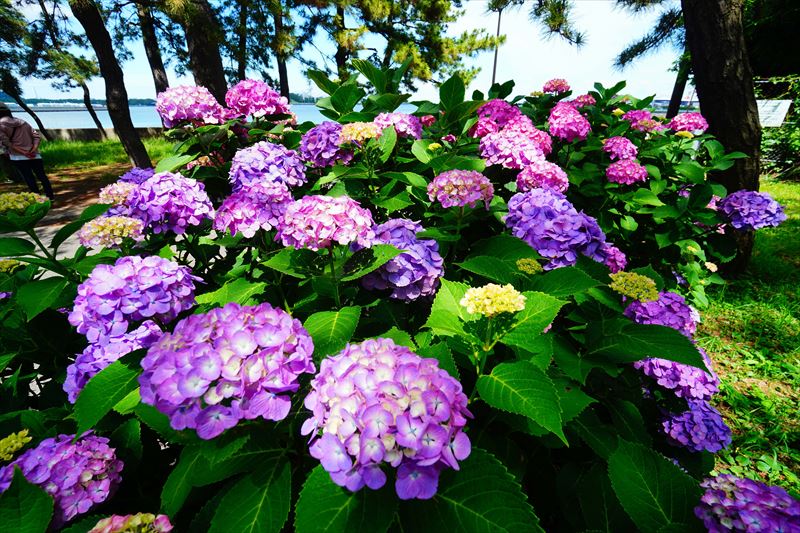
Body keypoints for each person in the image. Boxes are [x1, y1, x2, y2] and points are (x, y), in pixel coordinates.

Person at [0, 103, 54, 200]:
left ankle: (37, 198)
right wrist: (33, 149)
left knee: (29, 178)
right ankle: (50, 196)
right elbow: (36, 136)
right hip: (35, 155)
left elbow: (7, 143)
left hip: (18, 157)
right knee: (42, 176)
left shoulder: (1, 125)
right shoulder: (22, 122)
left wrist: (23, 152)